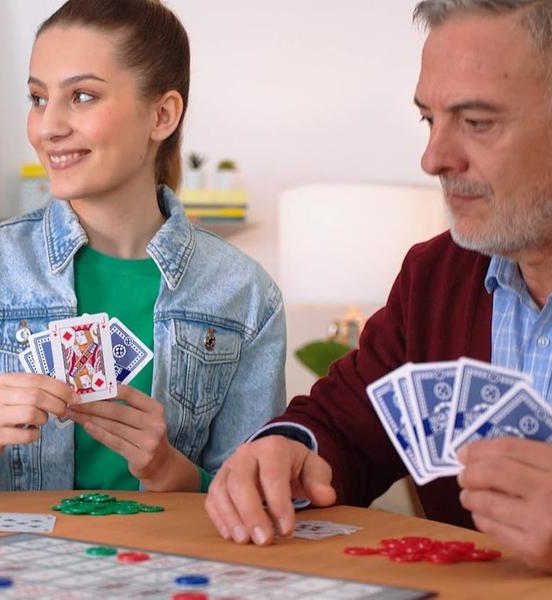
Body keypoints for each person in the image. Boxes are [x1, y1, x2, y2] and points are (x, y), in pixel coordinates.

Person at [0, 0, 286, 496]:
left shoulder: (246, 295)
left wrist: (169, 471)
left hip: (175, 570)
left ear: (162, 114)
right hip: (13, 565)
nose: (48, 127)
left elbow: (255, 496)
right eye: (38, 98)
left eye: (82, 96)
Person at [206, 0, 552, 573]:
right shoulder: (433, 275)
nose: (433, 157)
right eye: (428, 119)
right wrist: (288, 450)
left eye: (477, 122)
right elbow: (344, 425)